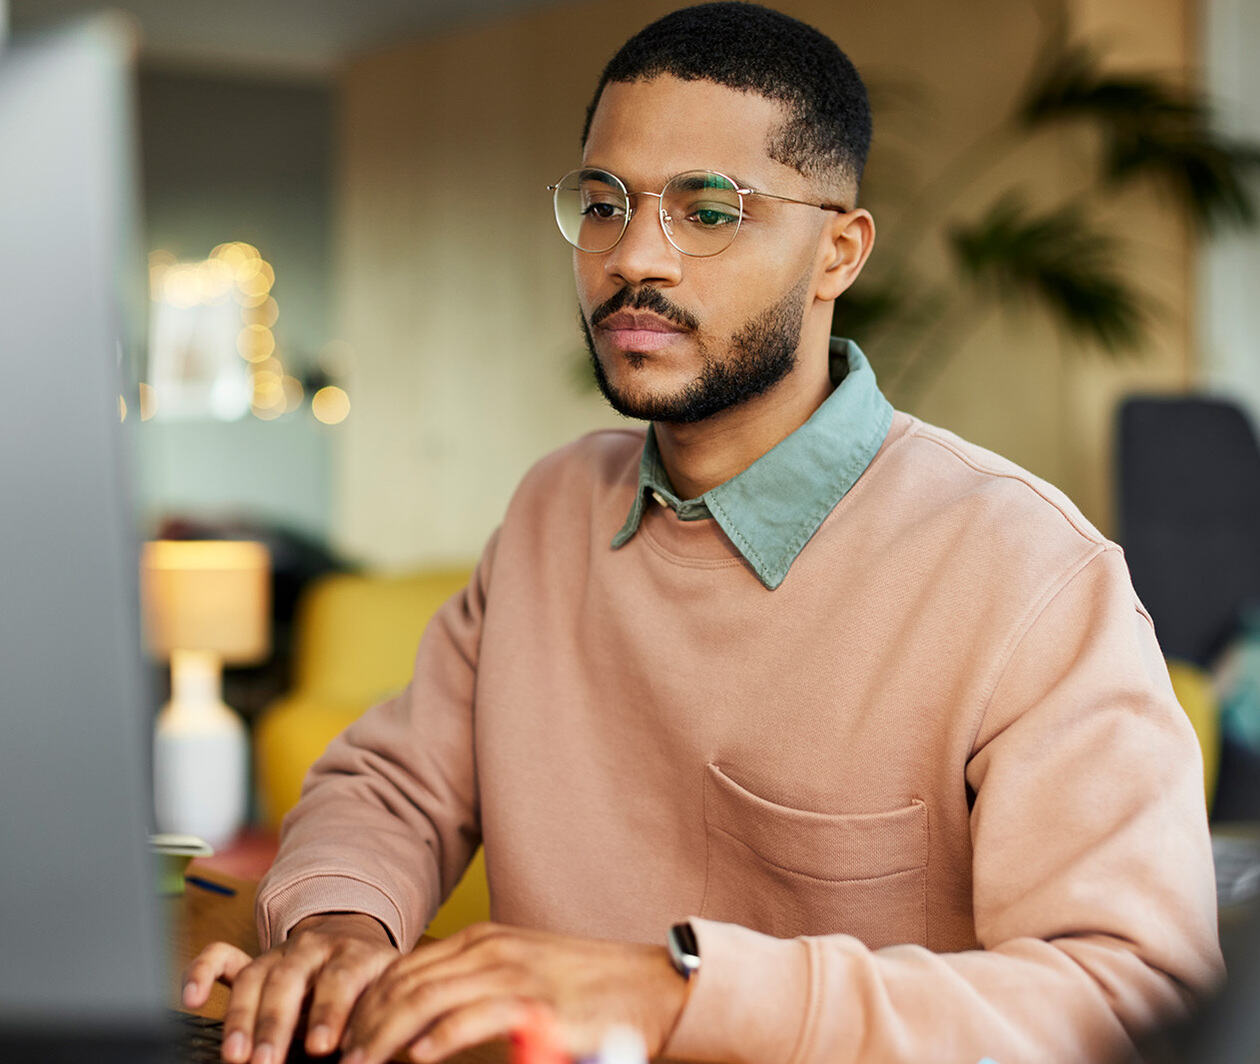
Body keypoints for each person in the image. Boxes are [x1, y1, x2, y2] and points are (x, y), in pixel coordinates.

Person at [183, 5, 1223, 1063]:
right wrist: (340, 929)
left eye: (709, 210)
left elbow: (1132, 1000)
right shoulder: (554, 511)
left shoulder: (1027, 570)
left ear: (837, 254)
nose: (636, 256)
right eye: (603, 202)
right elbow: (391, 790)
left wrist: (676, 990)